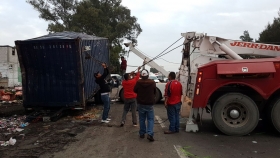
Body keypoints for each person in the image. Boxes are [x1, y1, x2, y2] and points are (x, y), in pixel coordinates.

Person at [134, 69, 156, 142]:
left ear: (141, 75)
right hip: (149, 103)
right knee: (150, 119)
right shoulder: (152, 82)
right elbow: (154, 91)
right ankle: (150, 134)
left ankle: (142, 133)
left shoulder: (138, 82)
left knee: (142, 119)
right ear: (148, 75)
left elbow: (135, 90)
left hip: (141, 103)